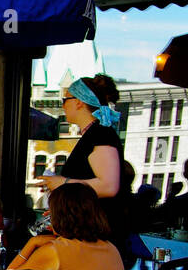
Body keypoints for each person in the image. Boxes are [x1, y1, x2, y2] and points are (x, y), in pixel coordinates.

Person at [36, 74, 129, 257]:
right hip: (89, 236)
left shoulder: (101, 134)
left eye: (66, 99)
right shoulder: (96, 134)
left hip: (96, 240)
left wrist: (63, 183)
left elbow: (109, 186)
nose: (63, 105)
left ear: (79, 102)